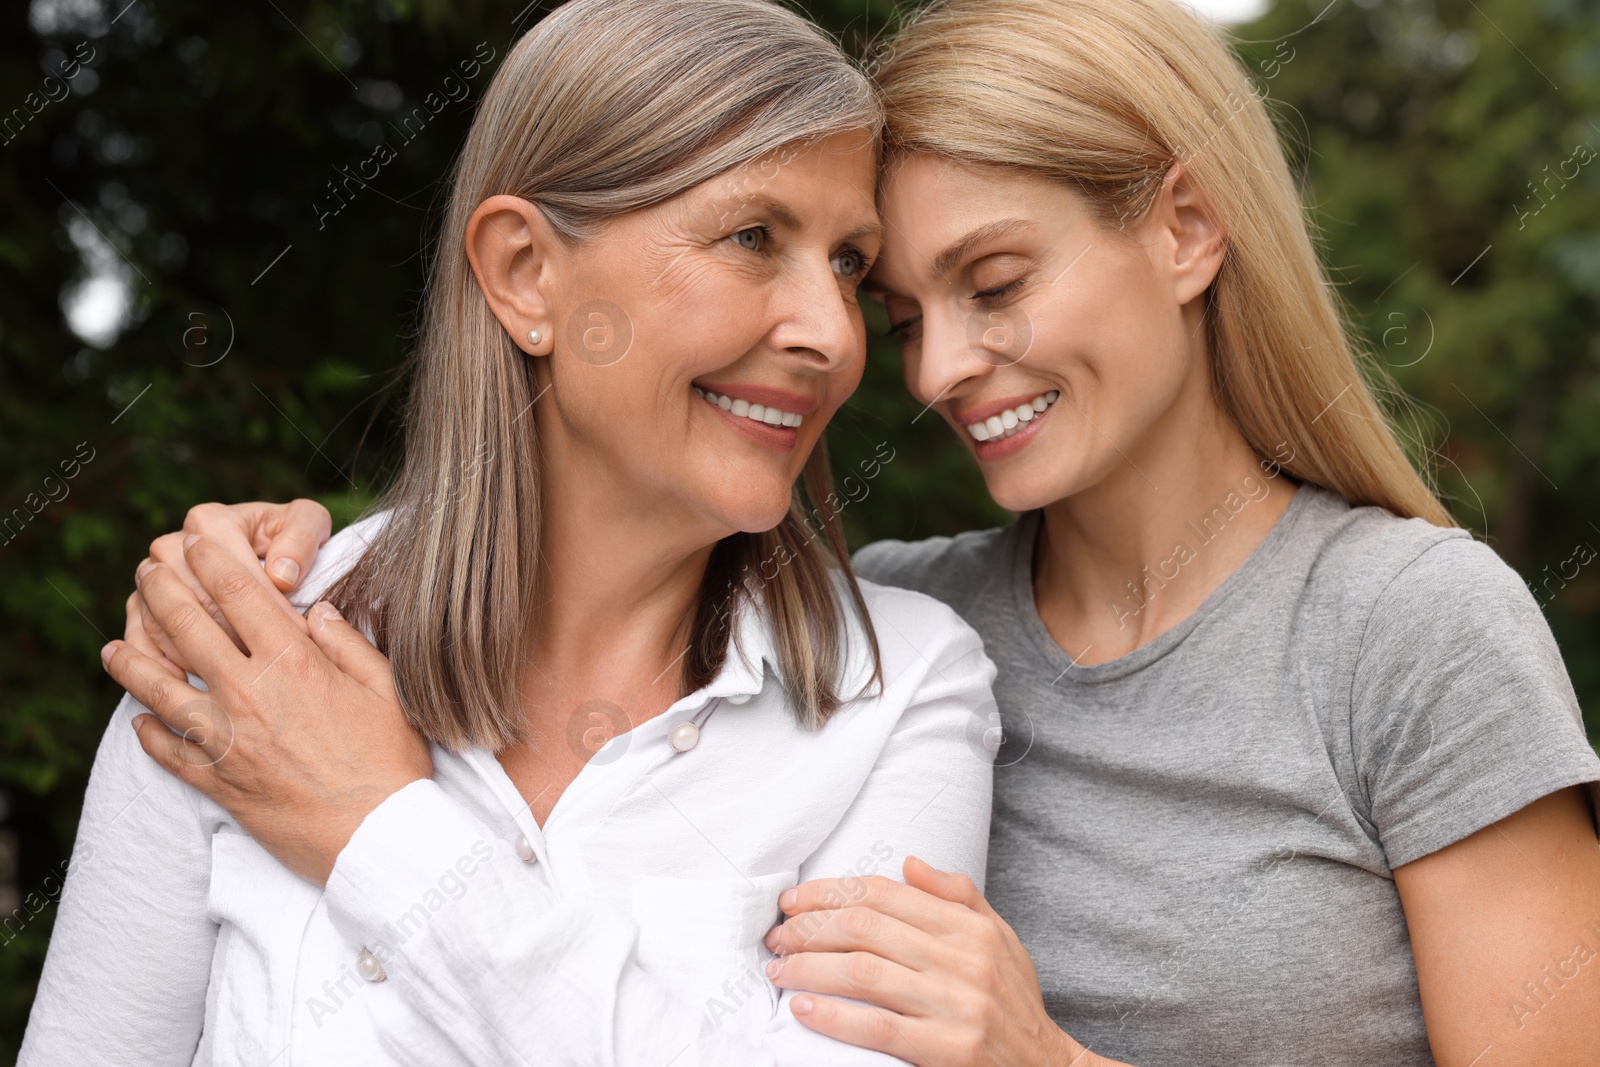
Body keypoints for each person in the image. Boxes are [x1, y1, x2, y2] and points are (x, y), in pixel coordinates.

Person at [101, 0, 1600, 1064]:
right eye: (909, 309)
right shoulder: (883, 634)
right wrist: (282, 562)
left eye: (996, 283)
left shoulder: (1410, 628)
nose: (932, 367)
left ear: (1187, 231)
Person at [18, 2, 1000, 1064]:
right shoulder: (241, 643)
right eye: (753, 236)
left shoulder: (898, 693)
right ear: (526, 272)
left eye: (851, 262)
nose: (828, 332)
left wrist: (377, 831)